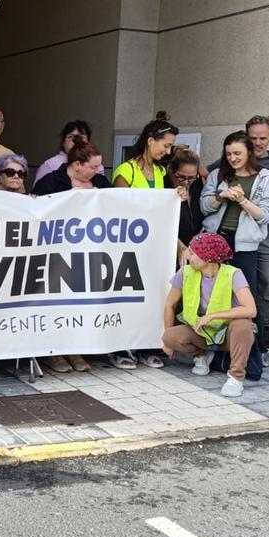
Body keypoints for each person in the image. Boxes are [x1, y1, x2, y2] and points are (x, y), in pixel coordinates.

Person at [207, 116, 269, 349]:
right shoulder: (229, 161)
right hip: (235, 234)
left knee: (267, 281)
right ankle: (231, 334)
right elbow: (206, 175)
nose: (258, 142)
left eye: (263, 138)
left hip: (268, 231)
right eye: (254, 138)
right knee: (239, 284)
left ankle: (263, 328)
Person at [200, 130, 269, 366]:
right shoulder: (218, 175)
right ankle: (215, 347)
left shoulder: (266, 179)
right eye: (228, 154)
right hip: (216, 240)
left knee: (246, 295)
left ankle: (256, 349)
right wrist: (221, 196)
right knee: (215, 293)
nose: (233, 158)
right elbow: (204, 207)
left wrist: (243, 200)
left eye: (237, 153)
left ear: (249, 152)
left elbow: (266, 215)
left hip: (245, 244)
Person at [32, 139, 109, 373]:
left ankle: (74, 349)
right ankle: (52, 352)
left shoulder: (100, 182)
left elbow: (119, 205)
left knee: (78, 302)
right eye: (93, 167)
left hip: (87, 252)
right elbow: (35, 211)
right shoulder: (51, 182)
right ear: (76, 165)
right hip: (54, 253)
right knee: (54, 302)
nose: (97, 171)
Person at [112, 118, 180, 369]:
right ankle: (120, 347)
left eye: (171, 146)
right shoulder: (126, 170)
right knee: (126, 296)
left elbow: (164, 208)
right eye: (166, 145)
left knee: (150, 296)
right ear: (150, 141)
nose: (168, 151)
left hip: (152, 247)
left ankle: (146, 345)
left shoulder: (161, 172)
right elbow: (117, 207)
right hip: (128, 246)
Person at [161, 233, 257, 398]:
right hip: (201, 332)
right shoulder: (185, 272)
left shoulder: (233, 274)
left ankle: (235, 378)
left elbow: (251, 309)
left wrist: (213, 316)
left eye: (192, 253)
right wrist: (168, 344)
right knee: (169, 336)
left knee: (243, 326)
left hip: (227, 334)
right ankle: (201, 356)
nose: (187, 256)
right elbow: (170, 305)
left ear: (208, 257)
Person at [34, 120, 104, 183]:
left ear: (88, 142)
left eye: (81, 137)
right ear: (63, 142)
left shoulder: (97, 167)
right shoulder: (50, 165)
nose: (76, 141)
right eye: (71, 137)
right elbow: (38, 192)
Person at [170, 147, 205, 253]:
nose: (186, 182)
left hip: (196, 247)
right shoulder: (165, 186)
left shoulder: (197, 184)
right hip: (173, 247)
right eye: (181, 177)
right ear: (173, 172)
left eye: (191, 177)